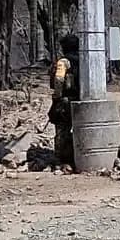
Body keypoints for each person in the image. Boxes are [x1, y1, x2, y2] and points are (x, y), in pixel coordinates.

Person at [49, 33, 80, 164]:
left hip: (66, 100)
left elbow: (59, 79)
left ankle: (62, 158)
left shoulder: (63, 62)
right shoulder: (84, 60)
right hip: (81, 99)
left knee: (62, 128)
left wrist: (57, 96)